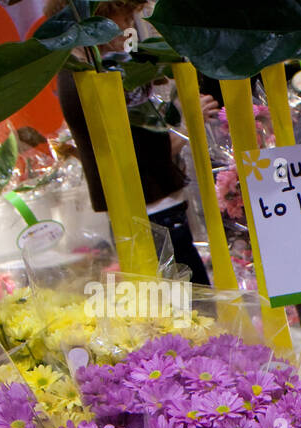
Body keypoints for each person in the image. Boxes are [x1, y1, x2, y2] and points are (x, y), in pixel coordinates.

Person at [49, 0, 214, 285]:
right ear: (97, 17)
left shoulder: (92, 70)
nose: (127, 27)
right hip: (150, 215)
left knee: (189, 308)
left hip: (151, 212)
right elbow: (135, 152)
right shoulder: (89, 77)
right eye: (123, 18)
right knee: (192, 310)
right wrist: (187, 125)